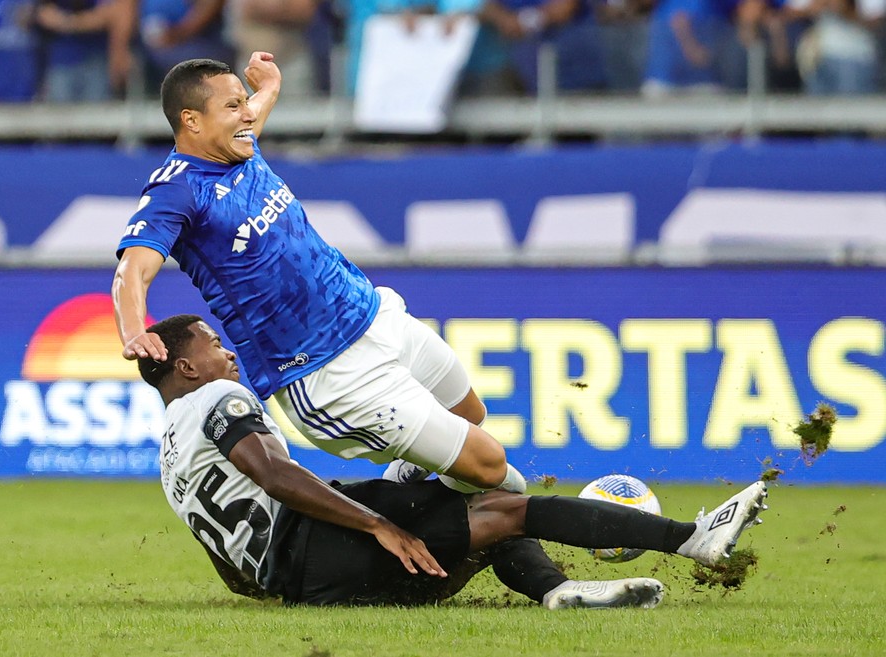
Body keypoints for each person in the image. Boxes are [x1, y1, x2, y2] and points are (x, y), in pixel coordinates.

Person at [139, 313, 770, 607]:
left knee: (458, 513)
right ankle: (693, 540)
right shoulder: (217, 396)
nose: (228, 354)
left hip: (303, 579)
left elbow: (227, 566)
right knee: (505, 507)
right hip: (317, 541)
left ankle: (558, 593)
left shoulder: (168, 455)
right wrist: (375, 523)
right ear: (186, 366)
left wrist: (275, 589)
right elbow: (274, 473)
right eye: (215, 345)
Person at [112, 53, 527, 497]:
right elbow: (131, 271)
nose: (248, 113)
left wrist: (270, 85)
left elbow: (254, 114)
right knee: (490, 465)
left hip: (372, 314)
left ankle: (401, 502)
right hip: (324, 370)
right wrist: (133, 327)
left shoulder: (239, 143)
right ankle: (548, 558)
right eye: (233, 106)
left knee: (470, 414)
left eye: (245, 103)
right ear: (192, 121)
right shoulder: (174, 190)